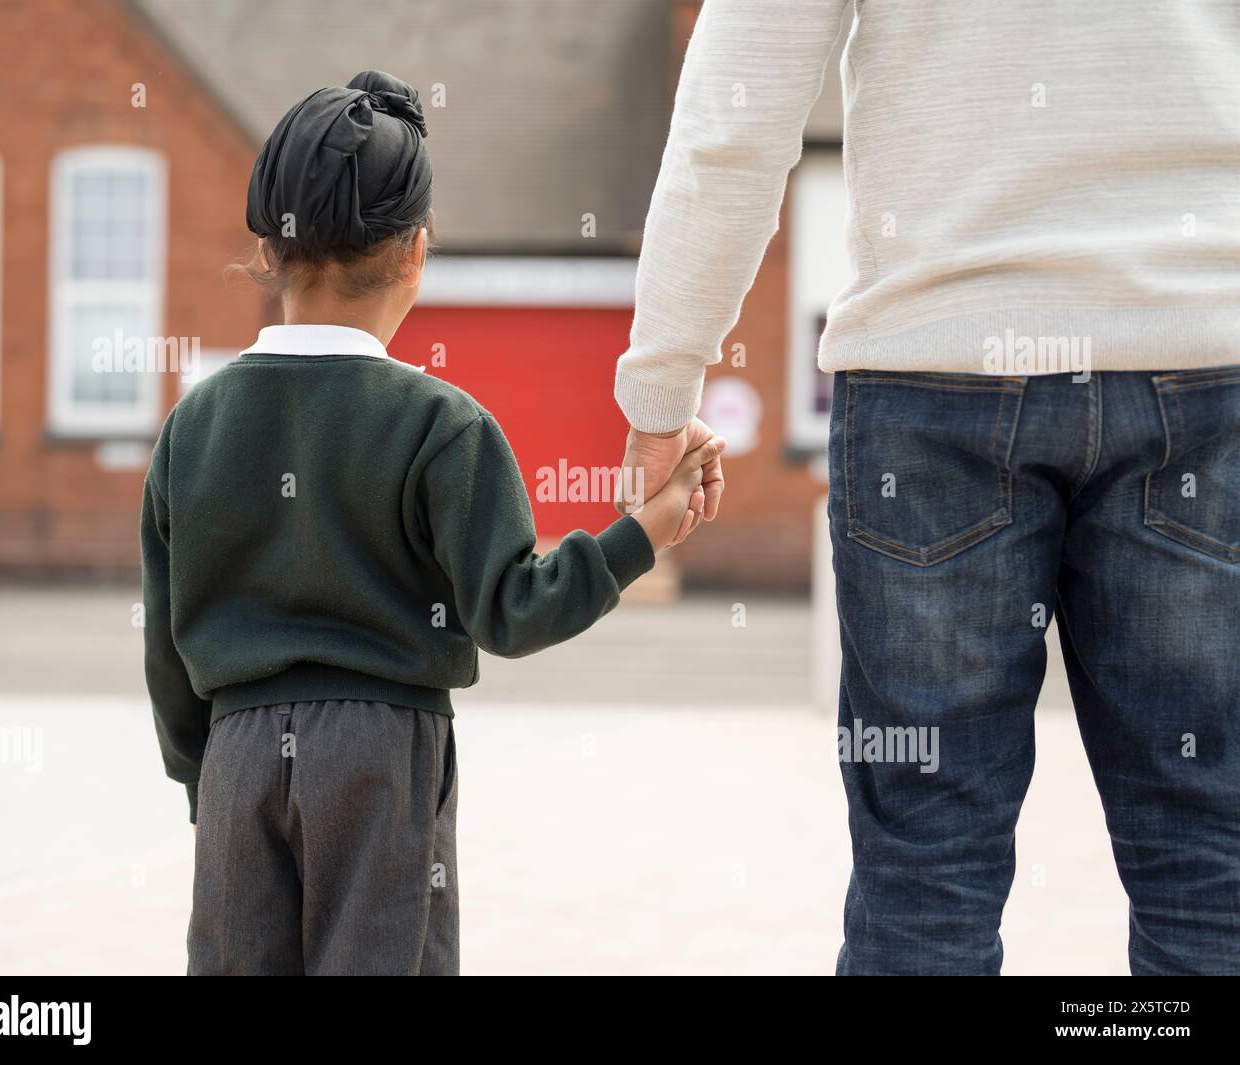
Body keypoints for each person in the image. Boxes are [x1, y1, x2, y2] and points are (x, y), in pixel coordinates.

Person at [616, 0, 1240, 975]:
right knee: (1210, 849)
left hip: (939, 365)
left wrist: (662, 386)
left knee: (926, 859)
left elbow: (738, 107)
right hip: (1201, 356)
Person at [141, 70, 725, 975]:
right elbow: (515, 610)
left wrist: (207, 783)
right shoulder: (441, 425)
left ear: (267, 247)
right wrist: (644, 529)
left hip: (236, 750)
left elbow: (168, 648)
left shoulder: (192, 428)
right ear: (416, 251)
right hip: (381, 755)